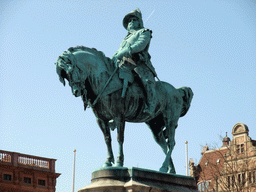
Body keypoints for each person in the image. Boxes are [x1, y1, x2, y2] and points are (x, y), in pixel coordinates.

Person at [111, 8, 158, 116]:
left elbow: (141, 45)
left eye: (134, 20)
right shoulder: (125, 39)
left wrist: (127, 50)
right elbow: (118, 52)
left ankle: (151, 106)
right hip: (125, 63)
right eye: (129, 21)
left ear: (139, 22)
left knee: (147, 81)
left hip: (139, 63)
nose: (131, 22)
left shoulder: (144, 32)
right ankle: (117, 107)